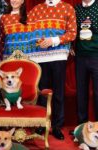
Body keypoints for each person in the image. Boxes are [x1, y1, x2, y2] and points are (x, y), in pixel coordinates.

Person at [28, 0, 77, 140]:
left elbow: (72, 33)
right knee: (42, 92)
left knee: (58, 93)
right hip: (40, 57)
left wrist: (53, 40)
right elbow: (29, 30)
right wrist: (38, 42)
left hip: (58, 55)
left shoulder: (68, 8)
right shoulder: (36, 9)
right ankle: (41, 124)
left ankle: (57, 126)